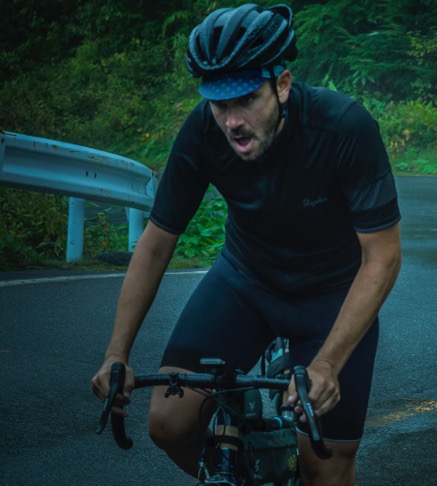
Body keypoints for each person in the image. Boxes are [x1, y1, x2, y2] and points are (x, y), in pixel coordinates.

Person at [90, 4, 401, 486]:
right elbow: (155, 244)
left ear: (281, 85)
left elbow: (382, 258)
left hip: (330, 298)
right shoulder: (201, 130)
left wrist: (327, 364)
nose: (232, 121)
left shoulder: (344, 127)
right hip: (245, 282)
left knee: (325, 462)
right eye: (219, 104)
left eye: (246, 100)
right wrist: (117, 352)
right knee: (167, 424)